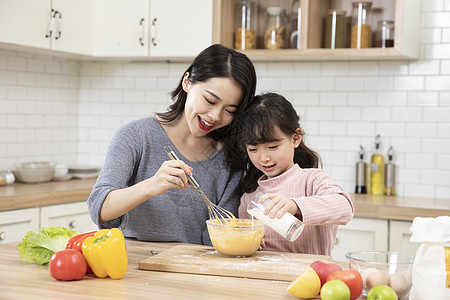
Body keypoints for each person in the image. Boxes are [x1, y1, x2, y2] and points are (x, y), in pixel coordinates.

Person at [87, 44, 257, 245]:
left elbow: (217, 238)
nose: (215, 116)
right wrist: (152, 185)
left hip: (191, 267)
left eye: (229, 111)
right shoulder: (135, 136)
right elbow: (100, 208)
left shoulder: (231, 160)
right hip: (130, 262)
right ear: (187, 81)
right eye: (210, 101)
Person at [237, 93, 354, 255]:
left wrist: (296, 205)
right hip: (266, 278)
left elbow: (345, 208)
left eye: (272, 147)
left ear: (295, 138)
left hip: (312, 276)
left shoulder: (312, 180)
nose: (264, 158)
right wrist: (250, 243)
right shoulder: (249, 198)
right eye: (253, 149)